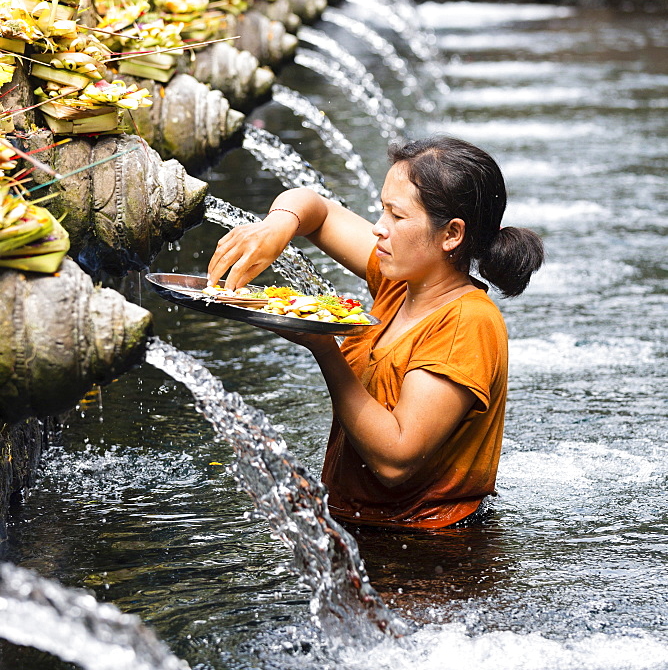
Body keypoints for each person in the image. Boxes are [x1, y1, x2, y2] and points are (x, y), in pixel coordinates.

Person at [207, 135, 544, 531]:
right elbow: (315, 208)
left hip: (429, 553)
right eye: (382, 211)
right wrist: (276, 227)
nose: (379, 230)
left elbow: (395, 460)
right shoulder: (403, 283)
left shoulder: (466, 323)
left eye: (397, 217)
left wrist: (324, 348)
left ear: (451, 234)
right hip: (359, 527)